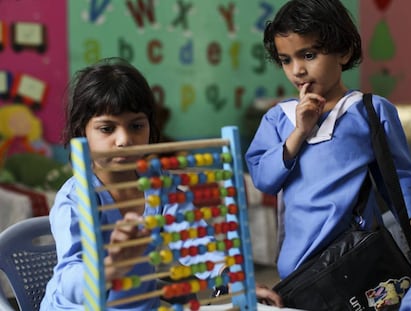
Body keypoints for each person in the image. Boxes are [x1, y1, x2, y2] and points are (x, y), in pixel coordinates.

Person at [40, 57, 281, 310]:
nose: (124, 140)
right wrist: (112, 268)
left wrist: (234, 280)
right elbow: (70, 280)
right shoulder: (75, 199)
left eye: (136, 125)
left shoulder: (158, 187)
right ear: (82, 132)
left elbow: (194, 241)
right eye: (107, 128)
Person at [245, 0, 411, 300]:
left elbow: (399, 180)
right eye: (286, 60)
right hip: (297, 270)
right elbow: (264, 179)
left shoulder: (369, 111)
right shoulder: (278, 118)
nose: (297, 70)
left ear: (343, 52)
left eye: (309, 55)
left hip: (357, 262)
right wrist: (299, 132)